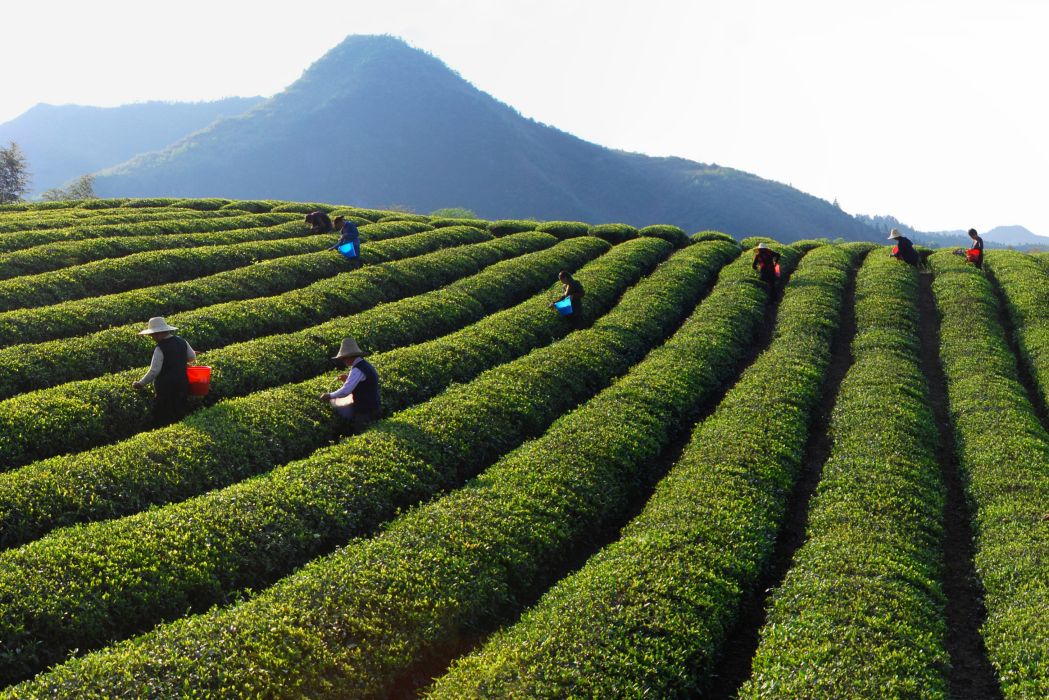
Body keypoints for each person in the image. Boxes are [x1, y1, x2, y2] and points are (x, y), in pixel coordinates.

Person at [132, 316, 197, 426]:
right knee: (180, 416)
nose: (152, 337)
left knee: (165, 419)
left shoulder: (160, 348)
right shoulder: (182, 341)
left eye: (153, 335)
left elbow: (154, 371)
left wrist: (140, 383)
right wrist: (179, 361)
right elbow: (192, 357)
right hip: (182, 386)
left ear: (159, 333)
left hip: (166, 390)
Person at [319, 336, 383, 432]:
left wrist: (329, 396)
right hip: (374, 407)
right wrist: (347, 380)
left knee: (361, 433)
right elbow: (363, 384)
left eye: (343, 358)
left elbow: (346, 391)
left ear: (349, 356)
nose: (343, 361)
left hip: (365, 411)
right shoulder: (365, 365)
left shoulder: (357, 369)